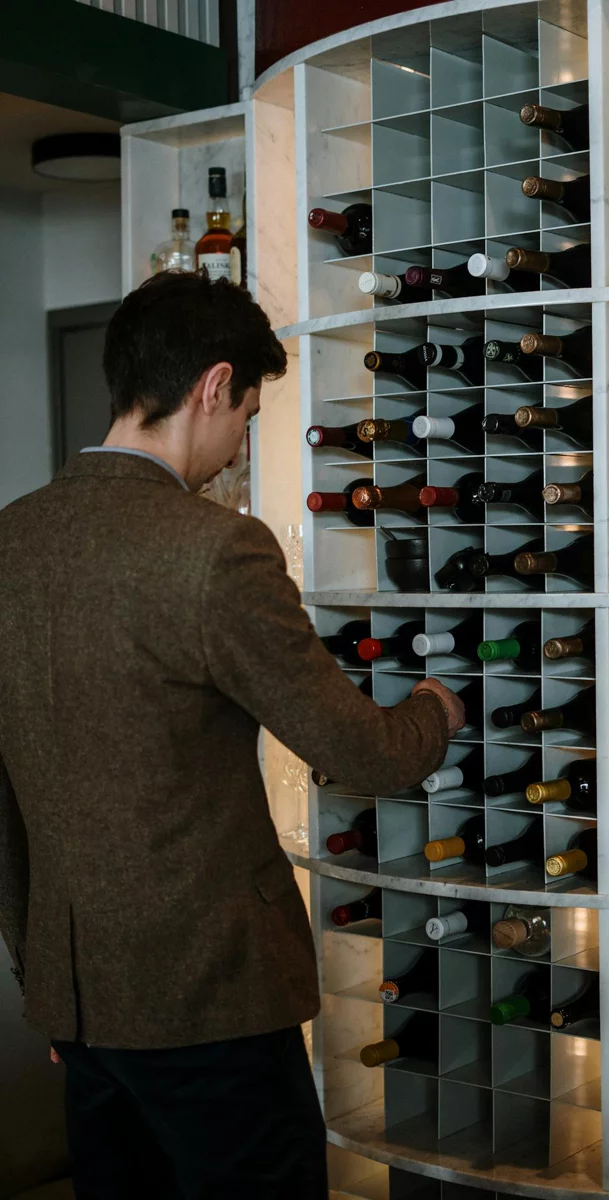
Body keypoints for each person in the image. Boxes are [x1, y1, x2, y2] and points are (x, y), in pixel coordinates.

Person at [0, 272, 465, 1199]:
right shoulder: (216, 549)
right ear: (214, 386)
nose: (240, 444)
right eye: (247, 415)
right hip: (212, 1002)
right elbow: (366, 754)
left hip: (81, 1004)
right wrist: (434, 711)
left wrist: (48, 984)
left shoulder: (12, 540)